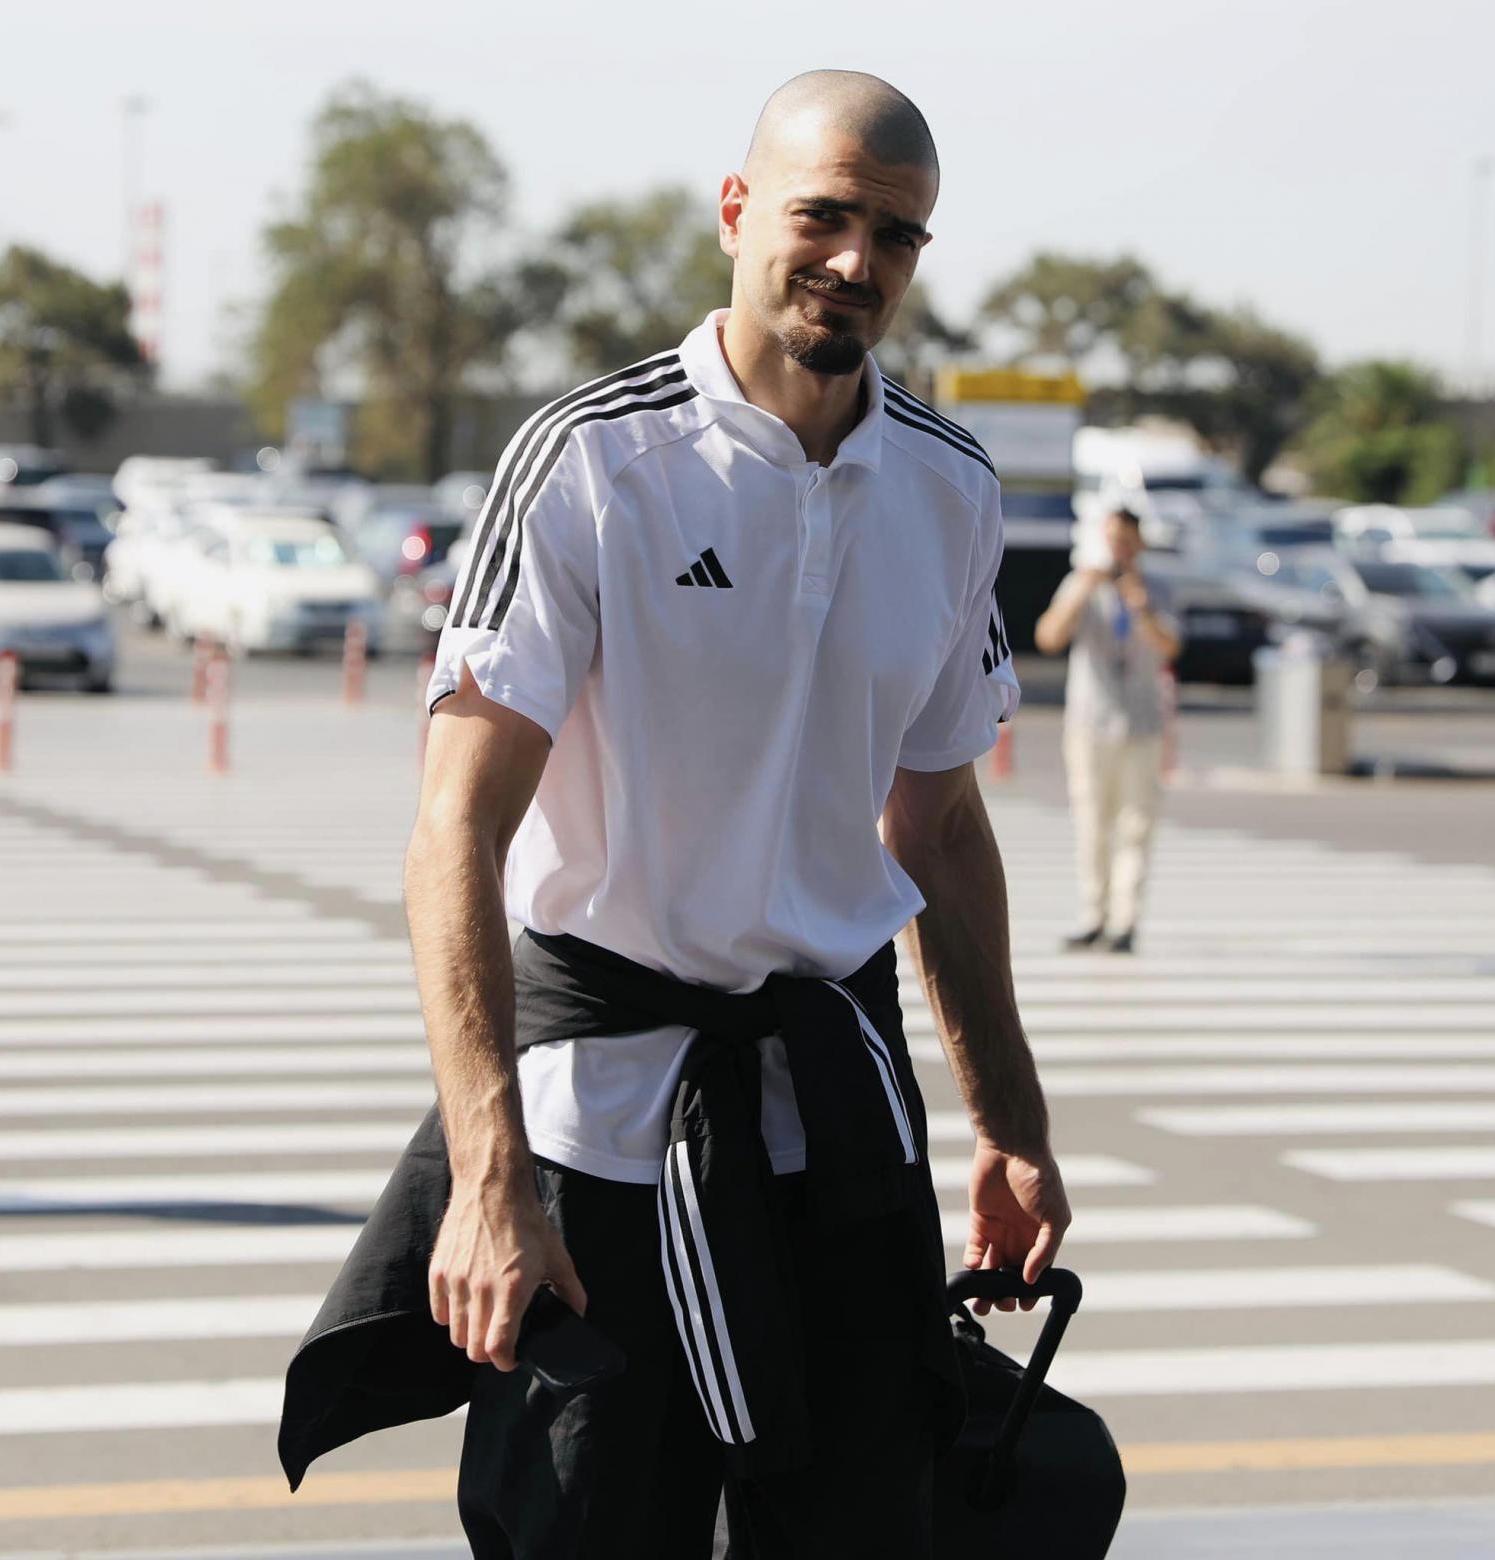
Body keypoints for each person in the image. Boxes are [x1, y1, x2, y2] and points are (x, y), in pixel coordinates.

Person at [279, 69, 1070, 1560]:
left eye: (897, 234)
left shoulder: (950, 488)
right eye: (823, 216)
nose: (856, 260)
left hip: (839, 1127)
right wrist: (490, 1175)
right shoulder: (593, 460)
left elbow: (943, 827)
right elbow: (456, 830)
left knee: (863, 1531)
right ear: (736, 211)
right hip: (600, 1140)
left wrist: (1013, 1126)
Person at [1034, 506, 1183, 954]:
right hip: (1090, 721)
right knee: (1091, 821)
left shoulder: (1157, 589)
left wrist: (1143, 608)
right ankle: (1093, 915)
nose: (1119, 550)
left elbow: (1170, 647)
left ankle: (1125, 920)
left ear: (1139, 544)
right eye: (1112, 540)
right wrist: (1082, 591)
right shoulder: (1082, 583)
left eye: (1126, 541)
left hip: (1141, 722)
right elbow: (1048, 637)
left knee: (1136, 822)